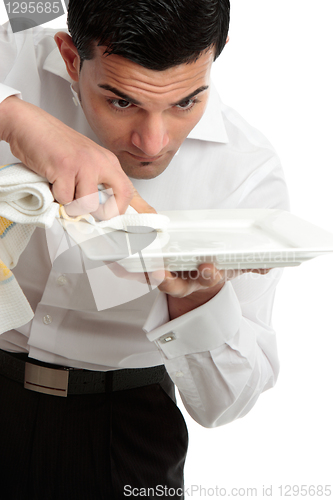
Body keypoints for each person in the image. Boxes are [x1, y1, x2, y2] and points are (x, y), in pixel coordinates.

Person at [0, 0, 289, 498]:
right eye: (121, 101)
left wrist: (197, 299)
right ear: (71, 58)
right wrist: (12, 115)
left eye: (185, 102)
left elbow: (227, 404)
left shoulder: (246, 178)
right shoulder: (16, 49)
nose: (153, 143)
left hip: (124, 435)